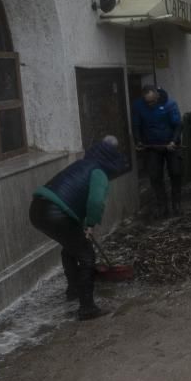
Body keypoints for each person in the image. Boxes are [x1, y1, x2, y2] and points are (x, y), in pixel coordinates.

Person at [29, 136, 127, 321]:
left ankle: (73, 290)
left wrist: (81, 224)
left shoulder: (81, 165)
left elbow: (72, 197)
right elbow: (95, 202)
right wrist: (90, 224)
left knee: (71, 249)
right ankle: (87, 308)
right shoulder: (99, 172)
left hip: (38, 209)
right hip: (55, 213)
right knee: (87, 255)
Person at [132, 85, 183, 217]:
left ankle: (176, 203)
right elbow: (136, 125)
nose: (151, 104)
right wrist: (138, 141)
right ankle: (162, 206)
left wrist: (174, 141)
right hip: (152, 146)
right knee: (155, 176)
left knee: (176, 173)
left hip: (170, 145)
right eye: (148, 102)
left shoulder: (170, 104)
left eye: (153, 101)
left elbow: (177, 125)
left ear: (157, 96)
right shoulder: (138, 106)